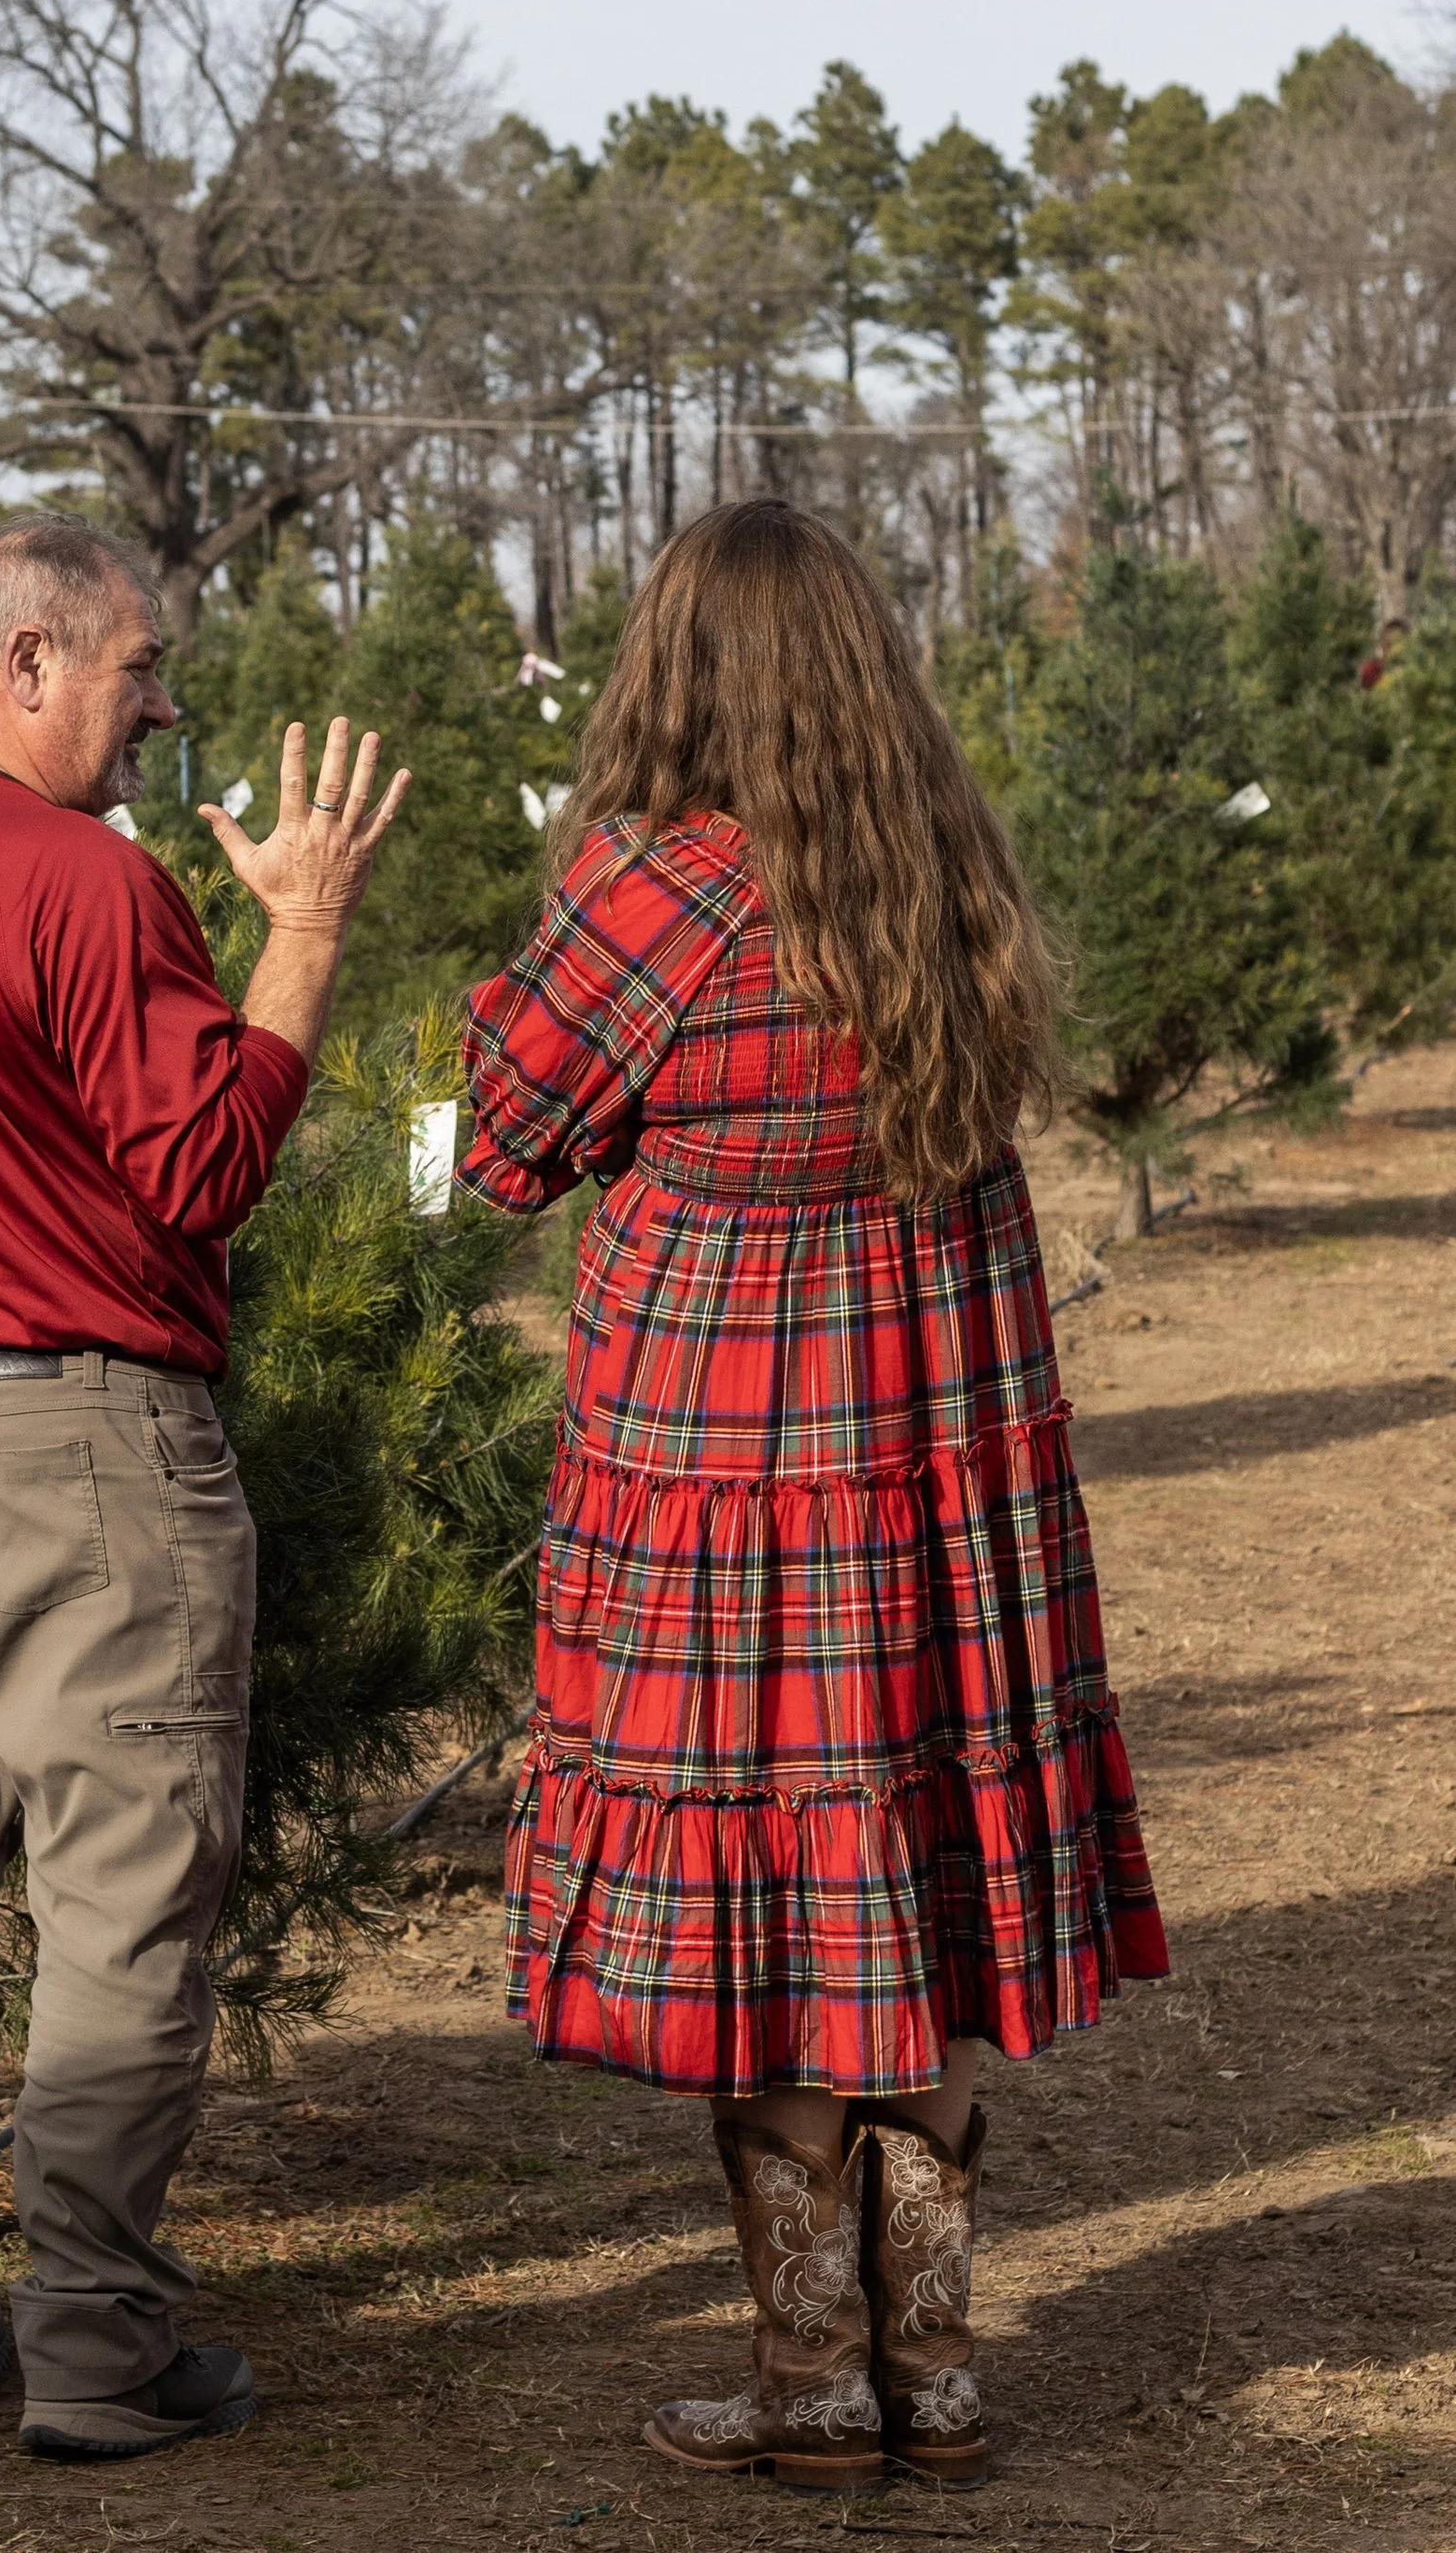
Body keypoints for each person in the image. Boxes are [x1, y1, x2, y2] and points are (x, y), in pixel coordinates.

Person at [459, 500, 1167, 2494]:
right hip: (936, 1461)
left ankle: (807, 2381)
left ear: (669, 670)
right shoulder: (939, 874)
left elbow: (497, 1150)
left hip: (730, 1477)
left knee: (780, 1913)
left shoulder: (649, 893)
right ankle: (926, 2372)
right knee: (911, 1894)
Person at [0, 515, 404, 2464]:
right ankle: (99, 2357)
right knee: (123, 1907)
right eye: (137, 671)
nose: (160, 710)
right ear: (26, 658)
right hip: (76, 1444)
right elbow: (202, 1170)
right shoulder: (76, 885)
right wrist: (302, 934)